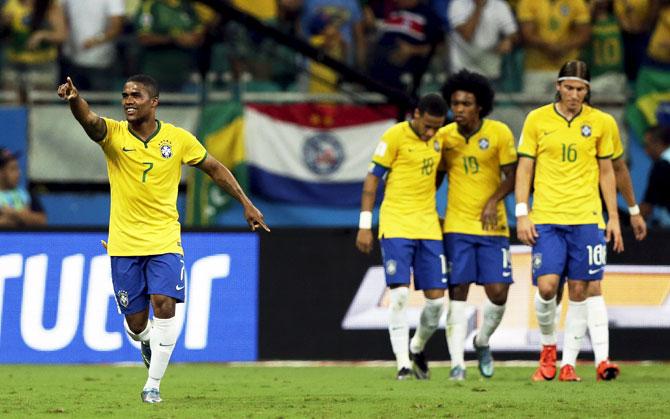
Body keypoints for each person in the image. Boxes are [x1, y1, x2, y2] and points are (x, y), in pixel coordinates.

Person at [57, 74, 269, 403]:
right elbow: (90, 120)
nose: (128, 100)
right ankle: (145, 340)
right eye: (125, 94)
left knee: (164, 304)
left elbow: (214, 168)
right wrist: (74, 100)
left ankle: (152, 384)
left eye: (136, 95)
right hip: (124, 243)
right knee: (137, 323)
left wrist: (246, 204)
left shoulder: (178, 139)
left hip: (165, 239)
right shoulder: (113, 135)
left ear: (153, 102)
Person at [515, 60, 624, 383]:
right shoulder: (536, 119)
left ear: (588, 91)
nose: (575, 94)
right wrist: (522, 213)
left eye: (581, 89)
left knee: (580, 288)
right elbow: (524, 169)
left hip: (586, 218)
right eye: (569, 87)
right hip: (547, 218)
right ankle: (547, 348)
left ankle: (567, 364)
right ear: (558, 86)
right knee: (547, 287)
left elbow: (607, 171)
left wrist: (613, 217)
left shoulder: (602, 123)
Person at [356, 93, 448, 380]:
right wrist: (364, 224)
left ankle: (417, 346)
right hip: (396, 224)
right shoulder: (394, 136)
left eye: (437, 126)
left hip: (428, 226)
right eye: (428, 125)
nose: (432, 132)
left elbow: (439, 172)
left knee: (436, 302)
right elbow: (372, 181)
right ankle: (402, 363)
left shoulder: (440, 139)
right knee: (400, 295)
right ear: (416, 114)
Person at [435, 69, 517, 380]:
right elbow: (434, 177)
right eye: (454, 103)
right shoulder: (444, 137)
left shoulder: (499, 133)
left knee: (498, 293)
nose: (458, 109)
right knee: (457, 290)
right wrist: (426, 208)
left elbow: (514, 176)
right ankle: (457, 363)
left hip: (493, 228)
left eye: (465, 103)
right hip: (457, 225)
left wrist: (494, 200)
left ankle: (482, 340)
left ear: (479, 106)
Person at [516, 0, 591, 95]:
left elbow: (583, 34)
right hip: (536, 70)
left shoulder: (576, 2)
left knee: (568, 109)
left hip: (568, 71)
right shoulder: (528, 2)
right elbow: (527, 34)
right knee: (534, 108)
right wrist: (548, 47)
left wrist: (562, 47)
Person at [447, 0, 518, 85]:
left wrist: (508, 40)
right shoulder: (458, 4)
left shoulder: (500, 5)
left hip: (490, 71)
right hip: (462, 72)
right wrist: (478, 7)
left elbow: (513, 33)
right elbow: (467, 35)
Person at [60, 0, 125, 91]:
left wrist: (96, 40)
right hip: (71, 61)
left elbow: (117, 26)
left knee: (98, 102)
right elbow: (61, 17)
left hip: (100, 63)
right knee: (73, 102)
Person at [0, 148, 47, 227]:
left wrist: (15, 214)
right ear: (1, 173)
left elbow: (42, 220)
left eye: (18, 168)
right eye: (13, 169)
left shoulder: (25, 194)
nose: (18, 173)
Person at [641, 125, 670, 225]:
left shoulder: (661, 167)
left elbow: (647, 206)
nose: (646, 151)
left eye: (647, 145)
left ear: (658, 143)